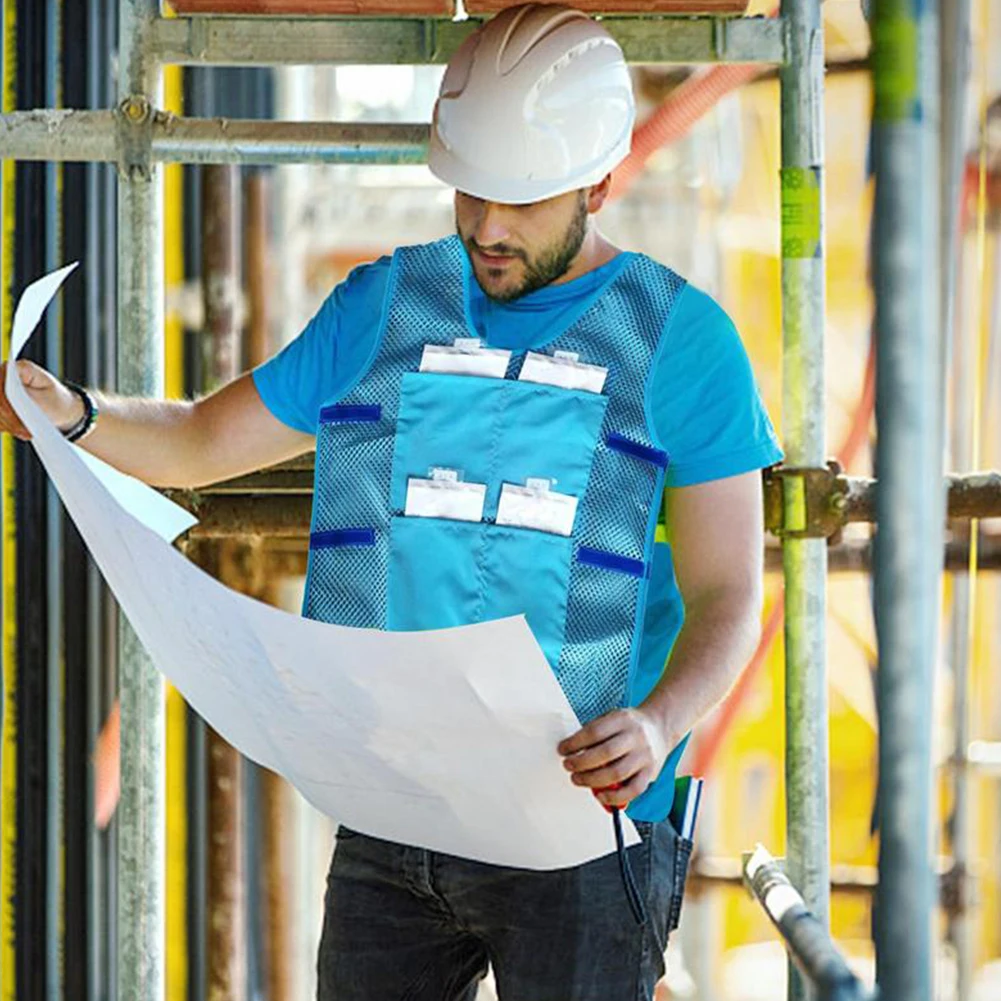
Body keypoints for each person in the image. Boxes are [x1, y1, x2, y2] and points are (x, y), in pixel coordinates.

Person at [0, 5, 782, 998]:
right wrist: (67, 412)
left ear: (596, 178)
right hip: (394, 815)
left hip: (581, 828)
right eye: (469, 193)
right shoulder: (381, 306)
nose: (487, 228)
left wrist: (659, 720)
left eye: (521, 200)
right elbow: (201, 440)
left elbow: (726, 594)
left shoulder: (682, 340)